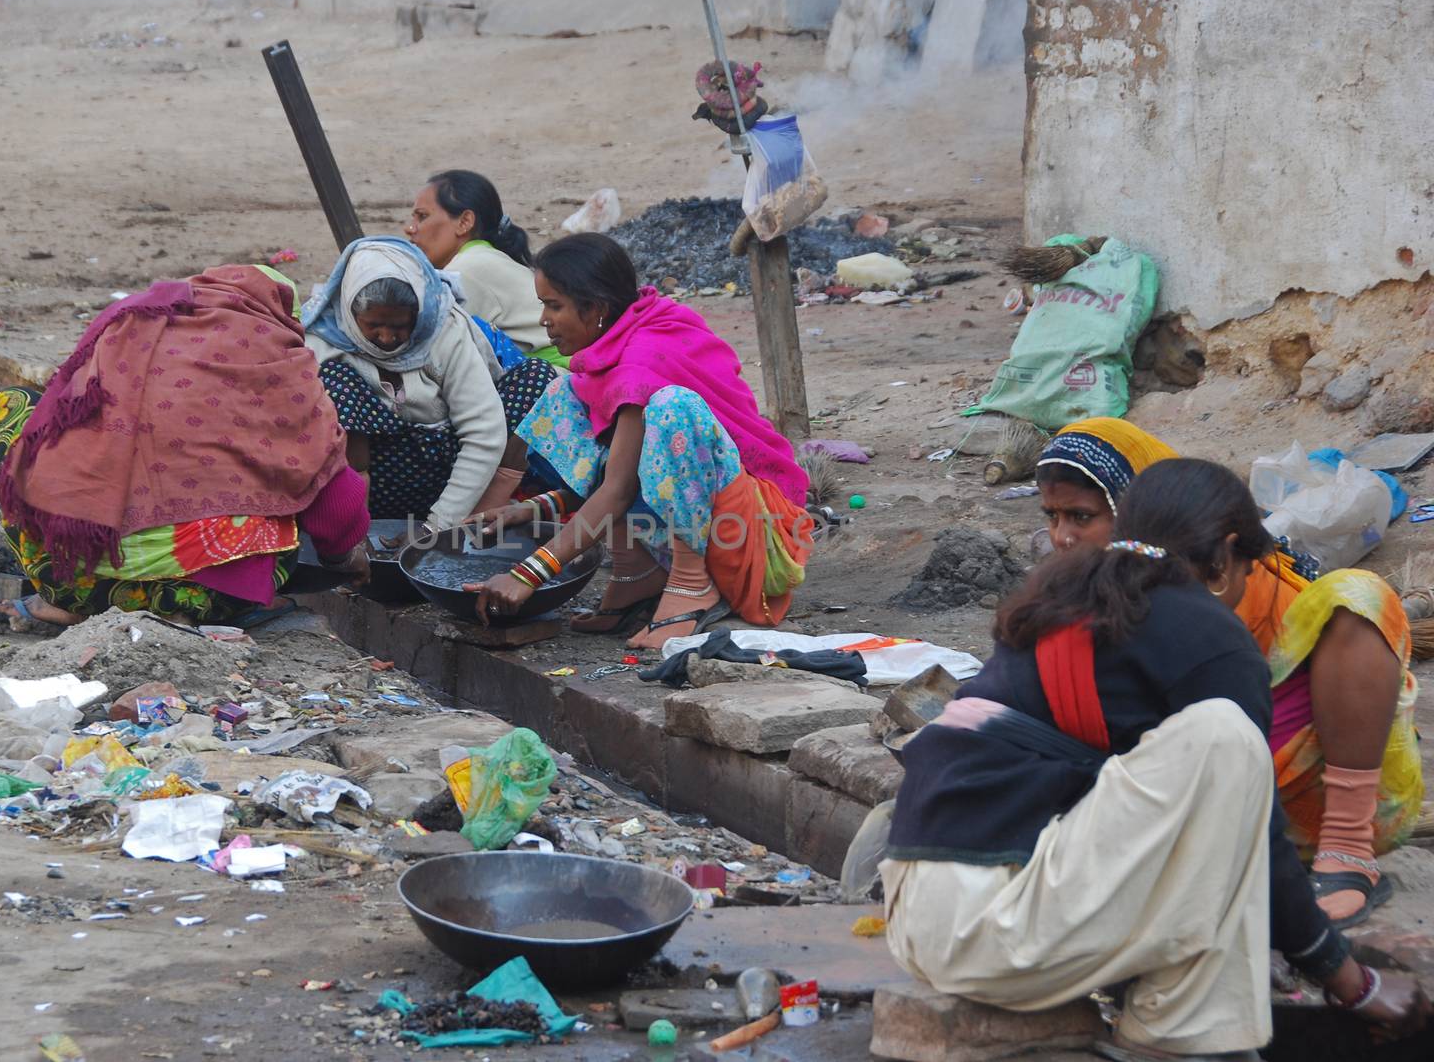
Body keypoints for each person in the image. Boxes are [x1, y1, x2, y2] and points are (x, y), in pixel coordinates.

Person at [883, 459, 1429, 1061]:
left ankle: (1178, 1023)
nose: (1244, 589)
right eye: (1247, 571)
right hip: (995, 932)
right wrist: (1351, 981)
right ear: (1224, 558)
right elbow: (1261, 836)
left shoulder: (1062, 599)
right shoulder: (1209, 634)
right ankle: (1180, 1037)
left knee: (1202, 832)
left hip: (920, 924)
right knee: (1225, 743)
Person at [1033, 418, 1423, 927]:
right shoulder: (1074, 595)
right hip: (1176, 821)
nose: (1062, 538)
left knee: (1359, 596)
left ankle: (1348, 852)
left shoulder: (1241, 580)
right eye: (1052, 517)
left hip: (1302, 802)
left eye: (1082, 517)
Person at [0, 265, 371, 631]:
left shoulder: (132, 330)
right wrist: (344, 561)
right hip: (213, 596)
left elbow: (61, 410)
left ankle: (65, 605)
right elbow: (337, 508)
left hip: (72, 582)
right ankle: (185, 609)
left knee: (17, 412)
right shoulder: (286, 376)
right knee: (292, 493)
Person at [462, 233, 814, 648]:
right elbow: (620, 470)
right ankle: (637, 573)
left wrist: (528, 574)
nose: (544, 319)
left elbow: (617, 491)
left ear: (596, 309)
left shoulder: (642, 361)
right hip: (701, 523)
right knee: (564, 393)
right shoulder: (626, 335)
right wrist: (530, 509)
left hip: (750, 541)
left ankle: (691, 582)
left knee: (672, 407)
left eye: (553, 305)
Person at [302, 236, 557, 529]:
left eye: (399, 326)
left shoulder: (443, 329)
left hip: (451, 470)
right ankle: (356, 528)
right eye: (373, 326)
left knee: (536, 377)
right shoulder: (322, 340)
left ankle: (479, 520)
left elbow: (483, 433)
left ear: (418, 314)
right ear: (350, 310)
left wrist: (437, 528)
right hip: (375, 482)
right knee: (334, 380)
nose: (387, 338)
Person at [406, 169, 568, 369]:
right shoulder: (483, 257)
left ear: (464, 222)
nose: (410, 228)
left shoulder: (467, 268)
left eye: (422, 217)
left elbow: (433, 347)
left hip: (554, 378)